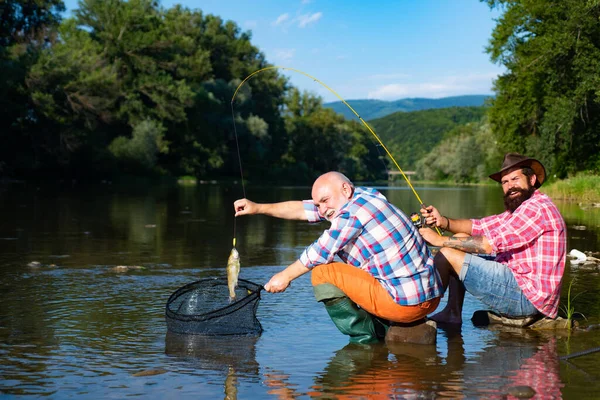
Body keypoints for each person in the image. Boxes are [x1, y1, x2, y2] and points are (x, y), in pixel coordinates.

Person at [234, 171, 443, 344]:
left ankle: (367, 338)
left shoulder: (351, 215)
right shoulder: (367, 195)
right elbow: (302, 209)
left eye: (325, 200)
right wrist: (258, 208)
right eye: (318, 204)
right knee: (342, 266)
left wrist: (284, 276)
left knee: (323, 272)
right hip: (431, 297)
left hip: (405, 304)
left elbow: (319, 252)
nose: (322, 210)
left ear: (345, 189)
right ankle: (394, 324)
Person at [419, 153, 566, 325]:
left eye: (515, 179)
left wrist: (439, 240)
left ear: (532, 179)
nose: (510, 186)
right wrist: (444, 222)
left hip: (529, 298)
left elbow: (488, 245)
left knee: (447, 254)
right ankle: (452, 312)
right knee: (459, 240)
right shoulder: (521, 209)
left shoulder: (536, 208)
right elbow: (479, 226)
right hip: (521, 287)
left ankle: (417, 314)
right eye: (505, 182)